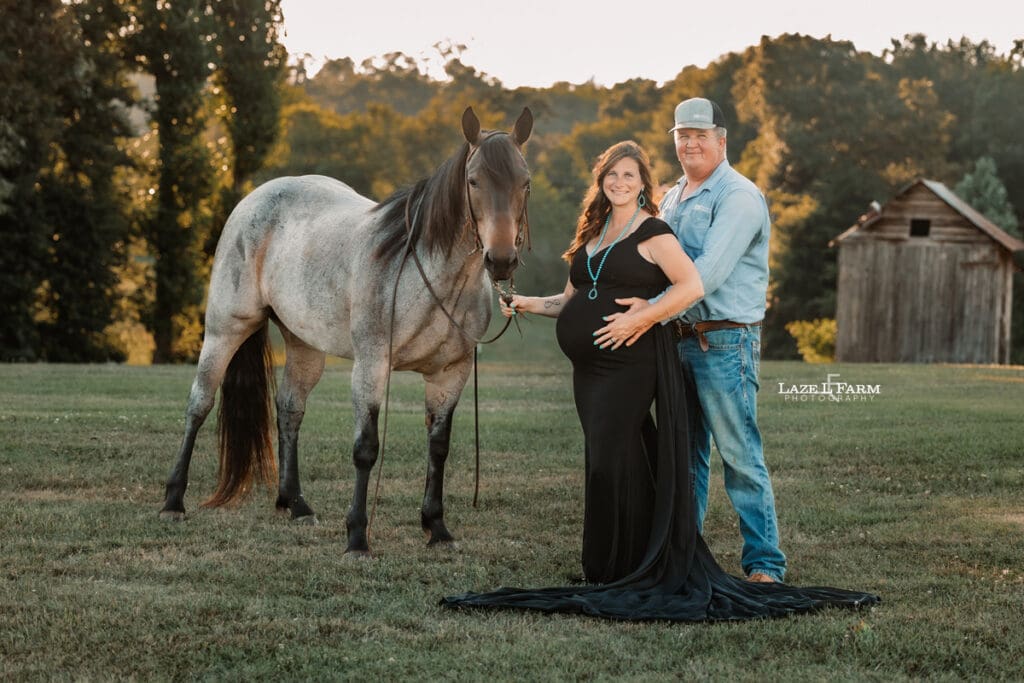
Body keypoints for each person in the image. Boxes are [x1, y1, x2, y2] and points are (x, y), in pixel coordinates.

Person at [441, 141, 879, 622]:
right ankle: (611, 562)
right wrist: (527, 303)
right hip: (589, 372)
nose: (620, 182)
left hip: (630, 363)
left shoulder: (655, 230)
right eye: (612, 175)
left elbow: (691, 284)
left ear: (643, 183)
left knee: (617, 458)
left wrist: (645, 316)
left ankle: (652, 563)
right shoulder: (593, 229)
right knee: (610, 458)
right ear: (601, 180)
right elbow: (572, 298)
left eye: (630, 175)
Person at [601, 97, 785, 583]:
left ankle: (765, 564)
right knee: (684, 458)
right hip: (675, 339)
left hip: (725, 342)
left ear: (722, 140)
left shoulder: (739, 197)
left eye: (701, 135)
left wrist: (645, 316)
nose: (691, 143)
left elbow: (704, 276)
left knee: (740, 455)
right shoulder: (673, 195)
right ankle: (684, 557)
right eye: (683, 135)